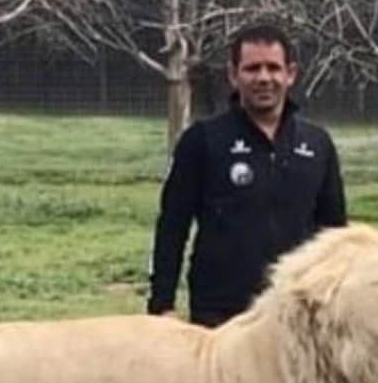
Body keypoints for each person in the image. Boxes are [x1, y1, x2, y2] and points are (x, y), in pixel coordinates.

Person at [147, 22, 347, 327]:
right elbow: (172, 227)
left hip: (295, 314)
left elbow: (335, 235)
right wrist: (162, 305)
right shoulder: (203, 140)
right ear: (233, 75)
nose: (264, 78)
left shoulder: (317, 144)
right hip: (221, 315)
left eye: (273, 68)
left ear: (290, 73)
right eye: (252, 68)